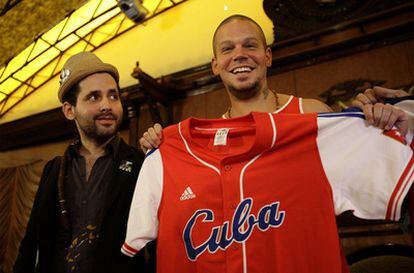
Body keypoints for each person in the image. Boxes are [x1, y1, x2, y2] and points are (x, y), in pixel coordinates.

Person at [139, 16, 408, 152]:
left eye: (250, 45)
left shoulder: (313, 113)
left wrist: (387, 122)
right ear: (215, 65)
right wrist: (156, 150)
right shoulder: (208, 140)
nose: (239, 54)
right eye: (228, 49)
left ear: (267, 57)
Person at [14, 52, 151, 273]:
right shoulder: (54, 169)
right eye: (94, 97)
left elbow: (156, 246)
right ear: (70, 110)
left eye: (113, 96)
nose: (107, 105)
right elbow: (31, 244)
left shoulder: (141, 164)